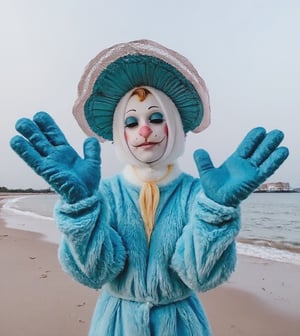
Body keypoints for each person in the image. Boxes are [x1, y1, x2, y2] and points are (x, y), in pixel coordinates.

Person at [10, 39, 289, 336]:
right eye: (131, 122)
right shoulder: (106, 193)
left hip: (181, 324)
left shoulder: (197, 194)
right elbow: (95, 273)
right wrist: (81, 208)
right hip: (116, 323)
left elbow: (200, 277)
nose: (144, 130)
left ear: (175, 124)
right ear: (119, 132)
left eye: (156, 118)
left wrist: (217, 211)